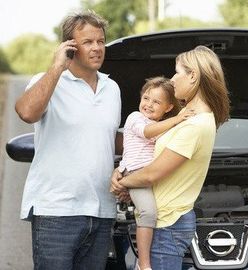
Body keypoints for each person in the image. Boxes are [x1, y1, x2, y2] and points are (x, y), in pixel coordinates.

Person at [15, 10, 122, 270]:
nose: (97, 48)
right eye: (88, 42)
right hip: (56, 211)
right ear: (70, 47)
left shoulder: (112, 88)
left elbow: (109, 140)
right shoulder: (47, 81)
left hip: (102, 212)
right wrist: (56, 68)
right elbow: (27, 112)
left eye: (100, 41)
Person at [111, 45, 230, 270]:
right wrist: (124, 170)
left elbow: (152, 173)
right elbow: (144, 151)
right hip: (165, 221)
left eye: (177, 72)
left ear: (193, 76)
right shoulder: (190, 120)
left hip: (168, 224)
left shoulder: (194, 125)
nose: (173, 79)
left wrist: (120, 183)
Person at [115, 76, 195, 270]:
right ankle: (144, 265)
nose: (148, 104)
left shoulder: (163, 127)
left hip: (150, 176)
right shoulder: (136, 118)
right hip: (136, 173)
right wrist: (177, 119)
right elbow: (147, 132)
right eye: (146, 98)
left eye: (156, 102)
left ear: (168, 107)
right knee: (148, 213)